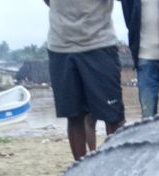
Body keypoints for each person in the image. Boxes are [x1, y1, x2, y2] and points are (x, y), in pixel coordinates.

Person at [44, 0, 125, 161]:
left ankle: (119, 166)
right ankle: (79, 168)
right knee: (73, 116)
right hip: (61, 47)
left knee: (113, 116)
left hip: (99, 43)